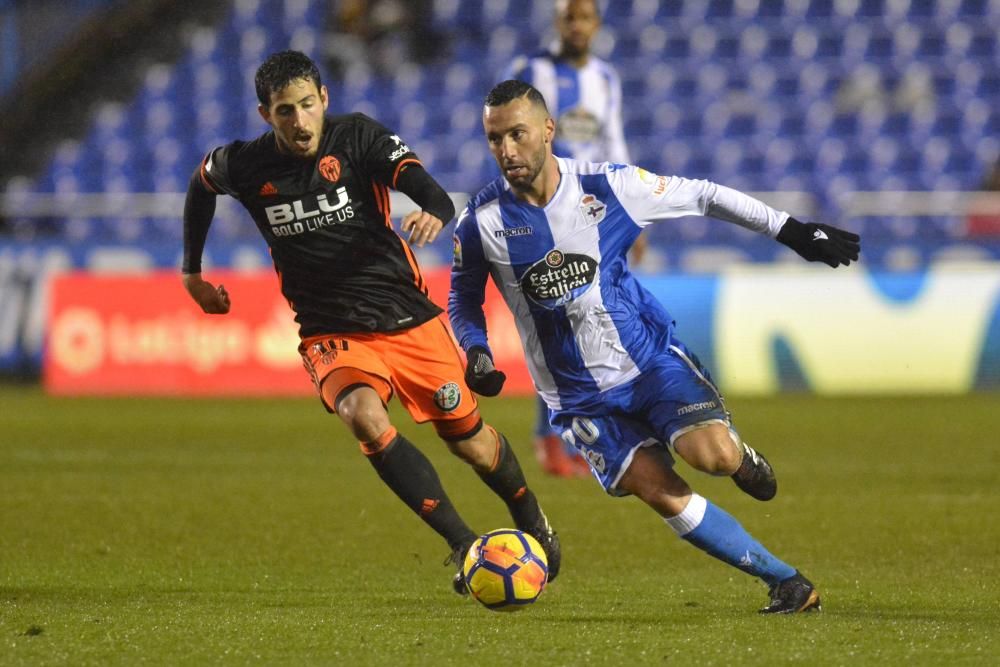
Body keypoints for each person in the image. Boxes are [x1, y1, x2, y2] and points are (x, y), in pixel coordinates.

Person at [449, 80, 861, 613]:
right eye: (494, 139)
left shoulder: (611, 186)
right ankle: (787, 582)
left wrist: (793, 232)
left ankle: (740, 458)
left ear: (548, 131)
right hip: (578, 398)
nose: (506, 151)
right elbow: (462, 300)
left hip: (647, 361)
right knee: (660, 492)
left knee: (711, 456)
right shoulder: (481, 221)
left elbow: (705, 195)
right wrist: (476, 350)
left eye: (517, 134)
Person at [180, 51, 560, 594]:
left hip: (406, 317)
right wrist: (192, 273)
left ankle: (531, 518)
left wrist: (432, 209)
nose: (300, 120)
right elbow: (201, 185)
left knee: (471, 443)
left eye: (308, 105)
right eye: (285, 111)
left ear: (324, 100)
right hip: (329, 329)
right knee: (362, 415)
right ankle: (463, 542)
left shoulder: (357, 138)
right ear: (266, 115)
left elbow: (424, 186)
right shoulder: (244, 163)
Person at [505, 0, 641, 477]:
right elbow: (507, 137)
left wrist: (631, 210)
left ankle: (578, 433)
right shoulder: (531, 69)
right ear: (557, 21)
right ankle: (550, 438)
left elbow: (613, 142)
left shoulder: (605, 79)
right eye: (569, 17)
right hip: (544, 212)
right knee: (556, 325)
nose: (577, 26)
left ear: (597, 24)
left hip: (595, 213)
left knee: (589, 323)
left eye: (585, 18)